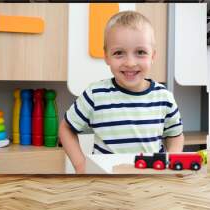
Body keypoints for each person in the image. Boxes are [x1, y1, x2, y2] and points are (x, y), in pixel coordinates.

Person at [59, 11, 184, 173]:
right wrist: (80, 165)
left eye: (140, 52)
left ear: (152, 56)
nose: (130, 63)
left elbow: (175, 135)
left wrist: (170, 162)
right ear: (106, 56)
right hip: (106, 180)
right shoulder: (95, 94)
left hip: (151, 181)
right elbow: (66, 128)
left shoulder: (164, 97)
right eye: (119, 53)